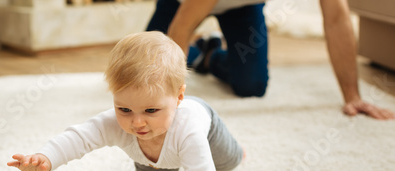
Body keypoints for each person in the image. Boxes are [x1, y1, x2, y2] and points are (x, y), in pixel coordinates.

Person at [7, 31, 244, 171]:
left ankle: (237, 150)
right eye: (124, 109)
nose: (137, 123)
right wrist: (45, 158)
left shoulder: (190, 131)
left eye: (151, 110)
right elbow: (79, 137)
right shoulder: (115, 122)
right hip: (152, 156)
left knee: (228, 162)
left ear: (179, 96)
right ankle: (157, 159)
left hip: (207, 128)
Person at [146, 0, 395, 120]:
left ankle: (207, 55)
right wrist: (171, 104)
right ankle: (195, 54)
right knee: (148, 67)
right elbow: (181, 27)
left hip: (241, 6)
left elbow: (336, 19)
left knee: (251, 86)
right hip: (180, 7)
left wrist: (353, 96)